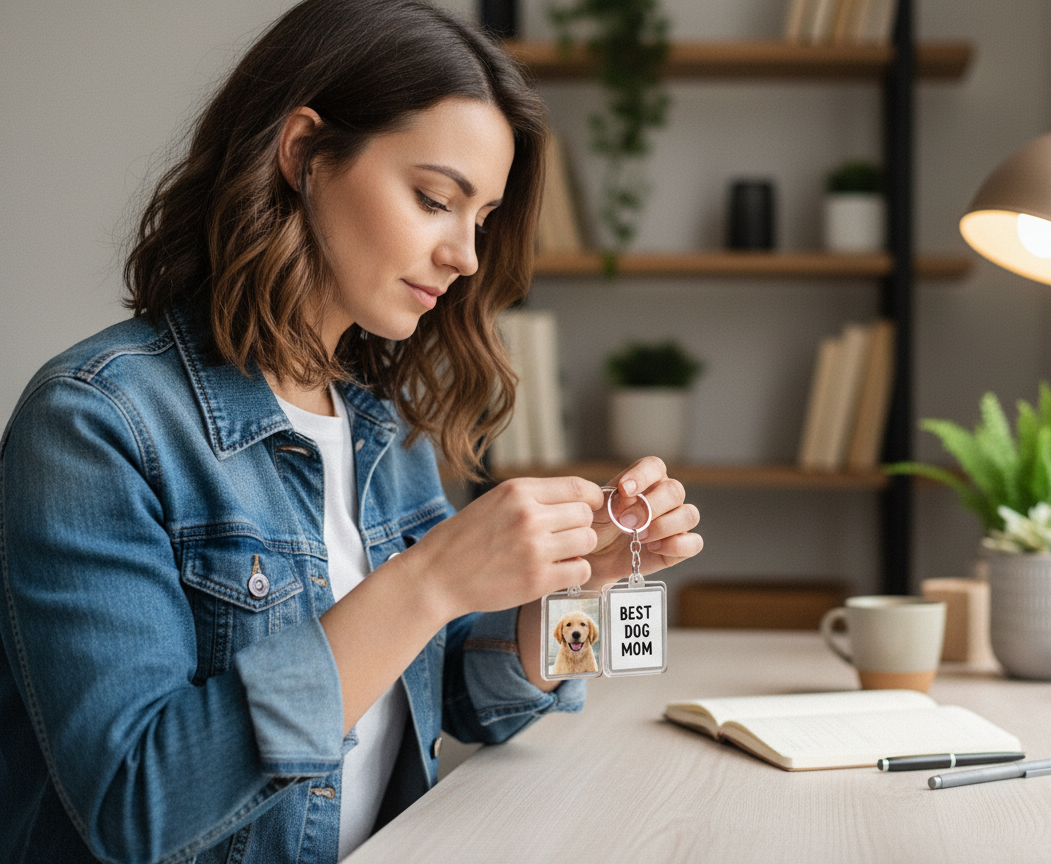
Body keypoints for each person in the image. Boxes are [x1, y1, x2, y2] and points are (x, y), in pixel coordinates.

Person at [0, 1, 703, 862]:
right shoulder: (95, 424)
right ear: (303, 154)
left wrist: (571, 588)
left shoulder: (383, 426)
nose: (468, 257)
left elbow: (455, 697)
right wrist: (430, 580)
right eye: (435, 199)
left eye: (481, 219)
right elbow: (137, 800)